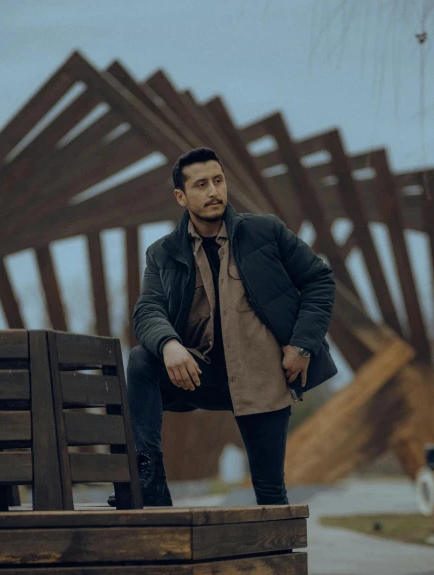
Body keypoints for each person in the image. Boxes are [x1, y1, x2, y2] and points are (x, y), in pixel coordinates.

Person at [109, 147, 336, 508]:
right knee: (141, 360)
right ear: (181, 197)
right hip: (202, 375)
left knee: (271, 496)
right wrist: (169, 344)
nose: (214, 191)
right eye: (201, 184)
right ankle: (149, 481)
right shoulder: (163, 252)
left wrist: (302, 344)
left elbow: (319, 280)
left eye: (218, 181)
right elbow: (148, 308)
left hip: (262, 377)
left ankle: (275, 563)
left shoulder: (266, 232)